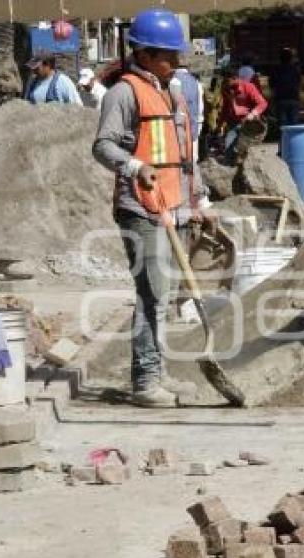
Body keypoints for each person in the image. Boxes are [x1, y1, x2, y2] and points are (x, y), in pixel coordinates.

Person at [92, 8, 213, 407]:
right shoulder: (123, 93)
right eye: (168, 55)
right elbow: (103, 145)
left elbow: (183, 155)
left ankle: (159, 371)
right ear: (143, 54)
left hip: (174, 207)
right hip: (140, 208)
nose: (175, 63)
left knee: (166, 293)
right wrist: (134, 165)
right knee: (151, 294)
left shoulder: (173, 92)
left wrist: (199, 198)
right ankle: (145, 380)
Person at [218, 66, 268, 163]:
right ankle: (229, 169)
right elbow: (225, 108)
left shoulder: (248, 87)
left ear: (234, 78)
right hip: (233, 122)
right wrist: (220, 124)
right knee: (229, 146)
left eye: (226, 79)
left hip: (249, 124)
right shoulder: (226, 89)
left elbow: (263, 103)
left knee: (246, 150)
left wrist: (252, 114)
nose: (224, 82)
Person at [270, 47, 301, 129]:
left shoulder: (275, 70)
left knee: (282, 126)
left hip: (280, 99)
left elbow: (272, 87)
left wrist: (272, 101)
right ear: (291, 58)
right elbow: (298, 83)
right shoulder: (295, 69)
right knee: (294, 124)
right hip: (294, 98)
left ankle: (283, 141)